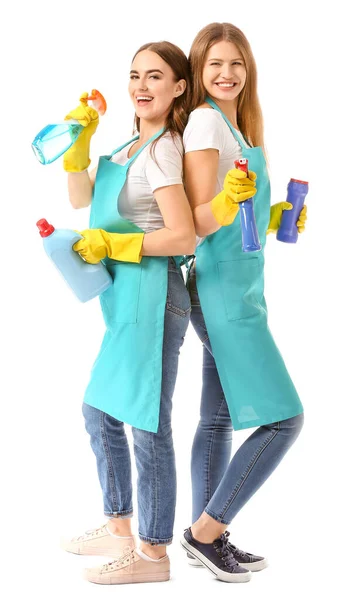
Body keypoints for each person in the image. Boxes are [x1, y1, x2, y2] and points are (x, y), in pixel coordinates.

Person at [61, 41, 196, 585]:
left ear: (179, 88)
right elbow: (79, 199)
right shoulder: (126, 145)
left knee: (146, 422)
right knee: (100, 411)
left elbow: (183, 234)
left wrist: (113, 247)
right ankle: (119, 525)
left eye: (156, 77)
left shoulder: (165, 149)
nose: (142, 86)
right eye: (135, 75)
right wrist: (79, 147)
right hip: (127, 298)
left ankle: (153, 555)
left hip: (153, 294)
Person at [180, 22, 307, 584]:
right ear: (198, 71)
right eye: (215, 64)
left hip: (239, 282)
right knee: (285, 419)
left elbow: (241, 220)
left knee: (218, 417)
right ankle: (206, 531)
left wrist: (279, 216)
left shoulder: (237, 124)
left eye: (236, 63)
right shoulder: (207, 120)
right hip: (224, 289)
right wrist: (232, 205)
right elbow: (200, 216)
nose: (227, 74)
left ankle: (208, 535)